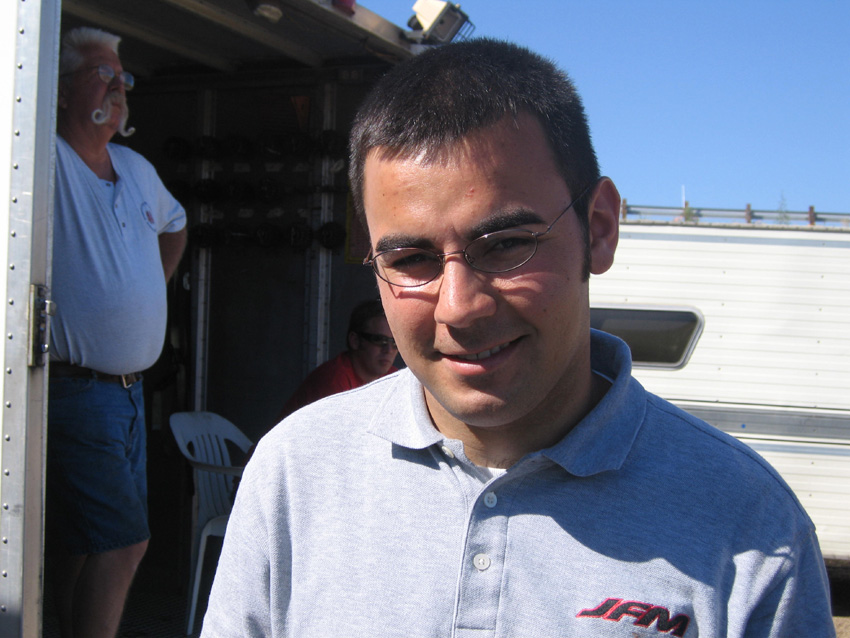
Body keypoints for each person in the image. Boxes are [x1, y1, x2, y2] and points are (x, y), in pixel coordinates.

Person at [202, 38, 834, 637]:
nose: (460, 308)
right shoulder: (295, 472)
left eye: (505, 245)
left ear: (599, 229)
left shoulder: (749, 524)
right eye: (411, 260)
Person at [46, 26, 187, 638]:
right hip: (74, 390)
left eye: (123, 77)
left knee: (81, 544)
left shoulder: (135, 167)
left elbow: (176, 224)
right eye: (102, 74)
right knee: (125, 542)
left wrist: (153, 283)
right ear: (60, 91)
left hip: (129, 393)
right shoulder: (42, 158)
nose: (119, 87)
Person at [276, 299, 399, 419]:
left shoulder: (393, 378)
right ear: (355, 341)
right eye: (379, 340)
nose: (389, 350)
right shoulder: (334, 382)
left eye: (395, 342)